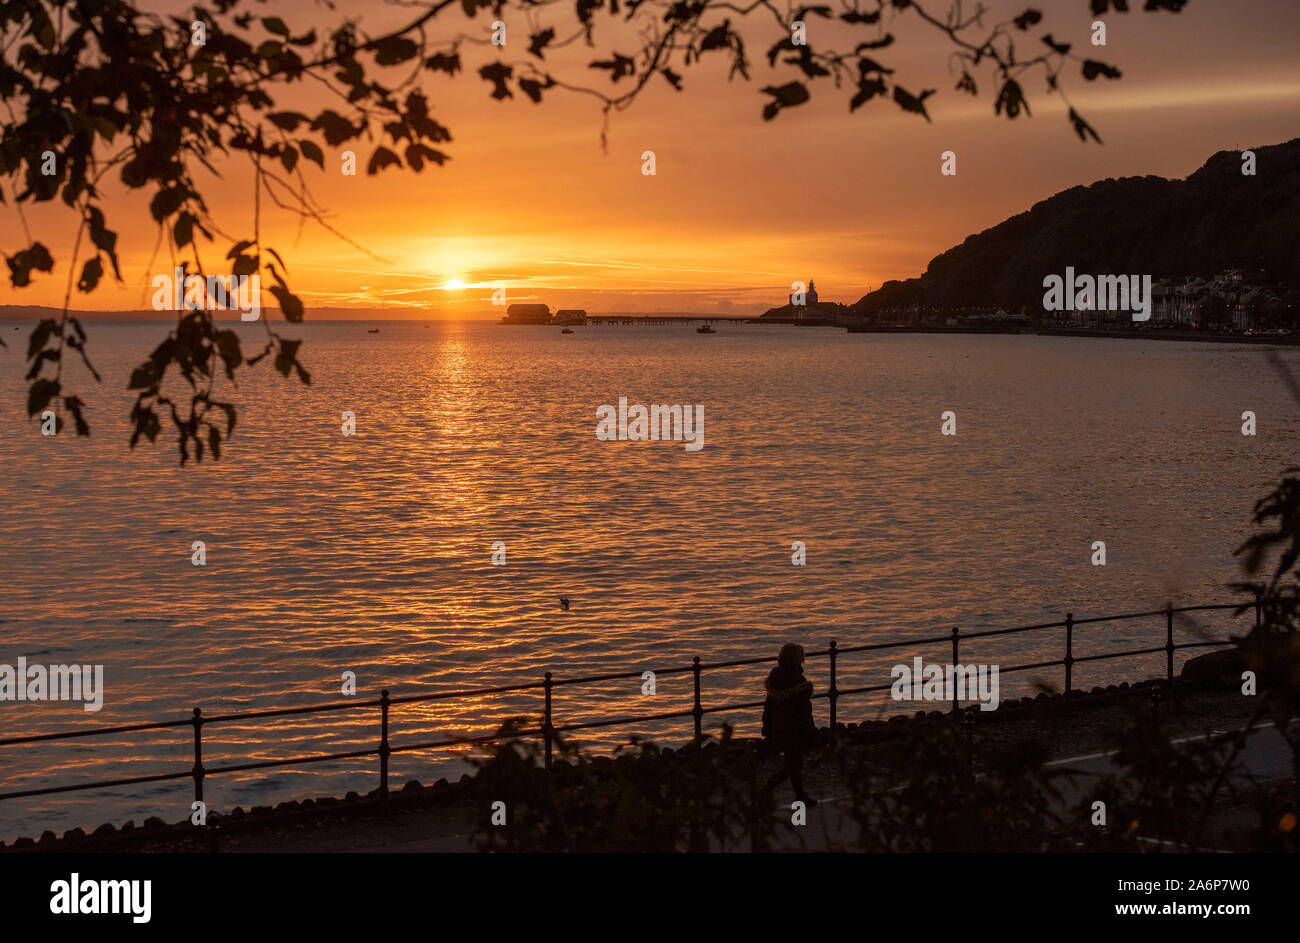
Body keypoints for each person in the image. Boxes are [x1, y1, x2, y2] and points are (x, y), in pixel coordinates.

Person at [761, 642, 818, 806]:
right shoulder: (799, 682)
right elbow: (804, 712)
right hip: (794, 728)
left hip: (778, 726)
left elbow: (769, 706)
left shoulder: (775, 677)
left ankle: (800, 795)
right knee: (793, 763)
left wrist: (767, 727)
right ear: (797, 659)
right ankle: (767, 789)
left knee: (792, 762)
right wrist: (811, 731)